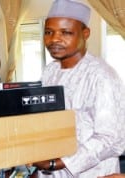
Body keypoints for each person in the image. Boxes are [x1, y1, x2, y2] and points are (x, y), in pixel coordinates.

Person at [32, 0, 125, 177]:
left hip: (92, 173)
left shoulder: (101, 76)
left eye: (66, 32)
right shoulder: (50, 71)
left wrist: (57, 163)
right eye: (48, 32)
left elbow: (111, 139)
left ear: (85, 33)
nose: (54, 39)